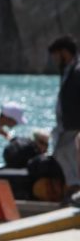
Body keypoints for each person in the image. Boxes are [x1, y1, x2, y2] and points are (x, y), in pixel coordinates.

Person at [48, 35, 80, 187]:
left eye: (56, 55)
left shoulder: (77, 71)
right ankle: (72, 184)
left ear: (64, 52)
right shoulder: (68, 70)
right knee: (64, 153)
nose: (55, 60)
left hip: (73, 123)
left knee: (62, 152)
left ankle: (74, 185)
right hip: (67, 123)